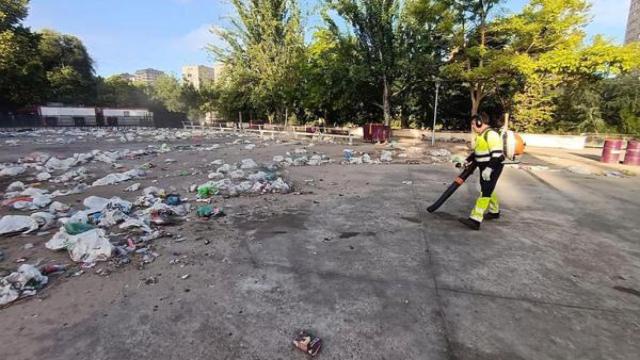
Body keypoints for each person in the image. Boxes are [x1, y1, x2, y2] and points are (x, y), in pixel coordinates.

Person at [459, 113, 505, 231]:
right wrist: (467, 160)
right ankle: (494, 212)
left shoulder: (491, 135)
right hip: (484, 166)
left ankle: (475, 220)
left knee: (485, 191)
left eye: (474, 124)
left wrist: (489, 169)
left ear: (480, 122)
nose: (473, 126)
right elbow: (477, 153)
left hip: (493, 166)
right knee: (488, 188)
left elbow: (497, 154)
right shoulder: (481, 135)